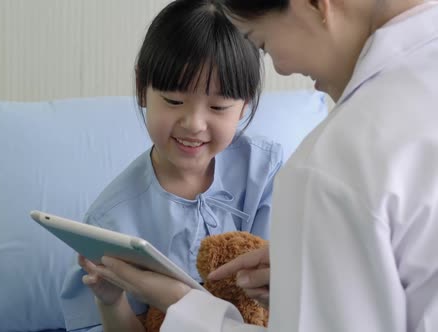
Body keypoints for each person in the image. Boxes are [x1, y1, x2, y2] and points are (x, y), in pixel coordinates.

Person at [84, 0, 438, 331]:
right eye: (174, 100)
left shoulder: (323, 171)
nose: (282, 68)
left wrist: (182, 305)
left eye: (263, 43)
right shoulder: (113, 213)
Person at [59, 0, 283, 331]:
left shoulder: (265, 172)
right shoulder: (112, 220)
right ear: (142, 90)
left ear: (245, 104)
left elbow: (292, 298)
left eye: (218, 107)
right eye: (174, 101)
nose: (194, 124)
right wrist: (111, 301)